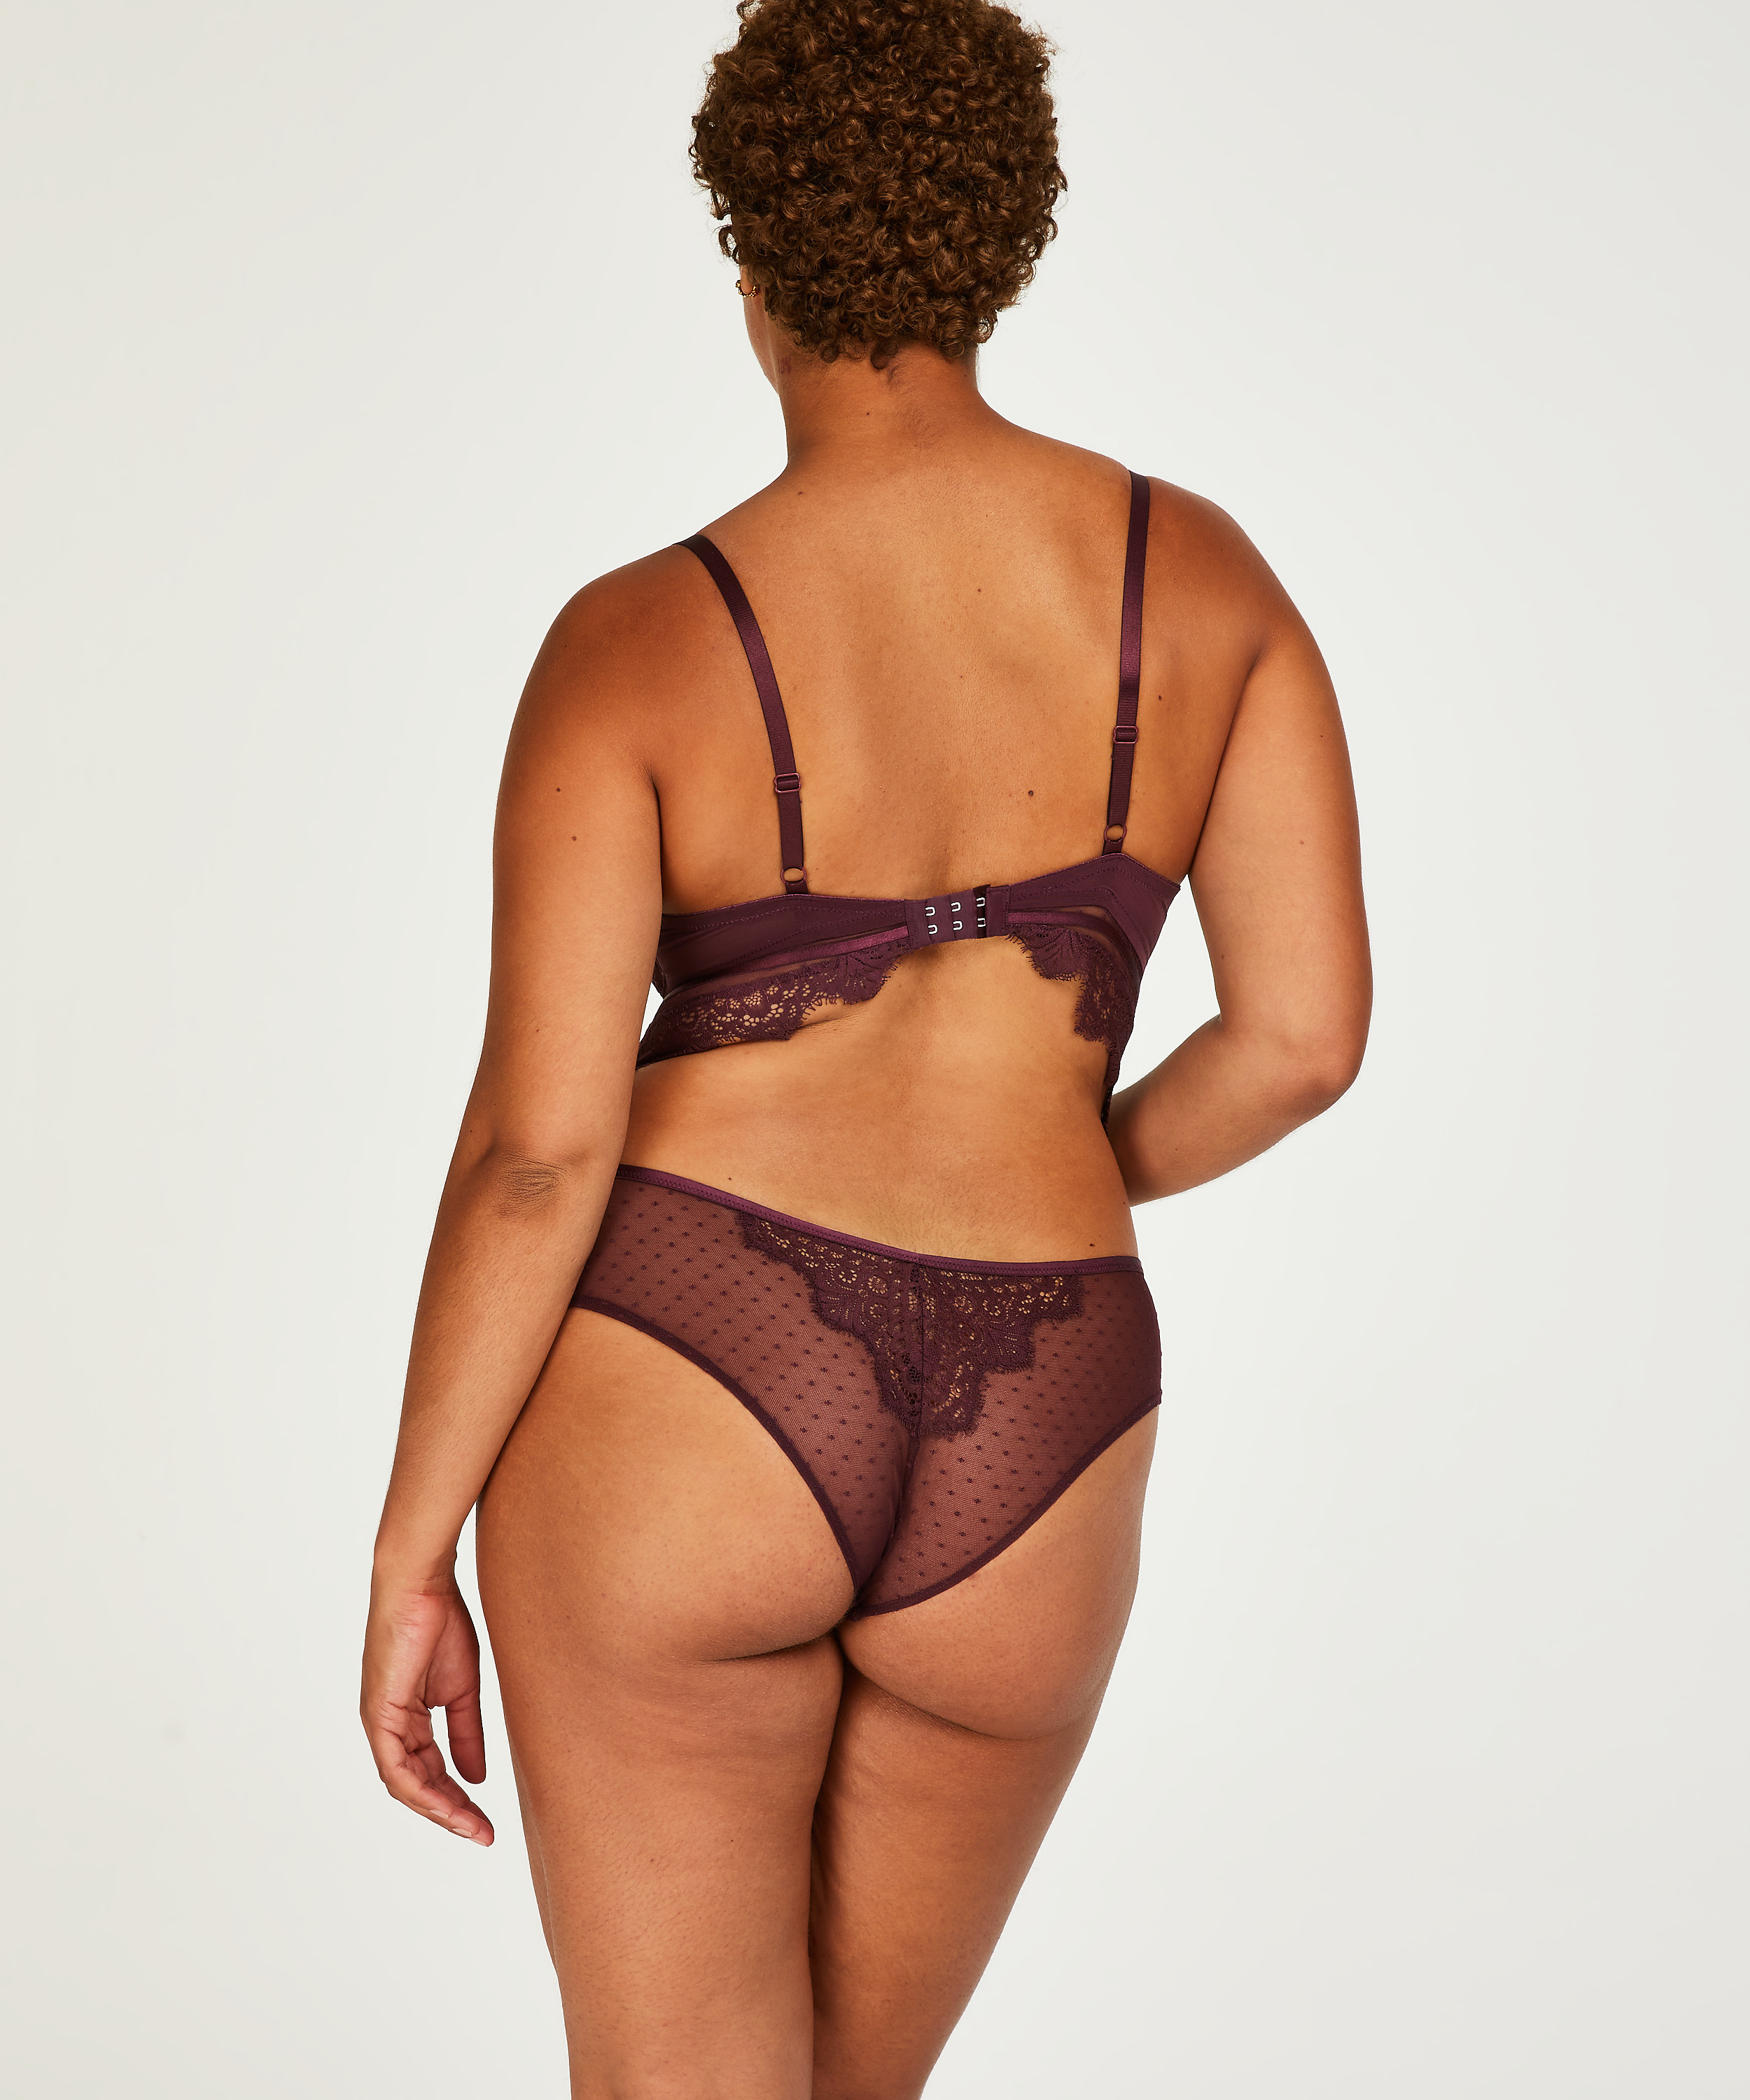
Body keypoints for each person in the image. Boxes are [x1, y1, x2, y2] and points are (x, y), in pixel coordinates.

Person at [360, 0, 1371, 2090]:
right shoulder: (1207, 585)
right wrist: (1059, 1155)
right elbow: (1299, 1039)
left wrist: (411, 1540)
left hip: (691, 1371)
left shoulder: (635, 640)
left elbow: (540, 1152)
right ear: (1002, 242)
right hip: (1049, 1415)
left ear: (749, 255)